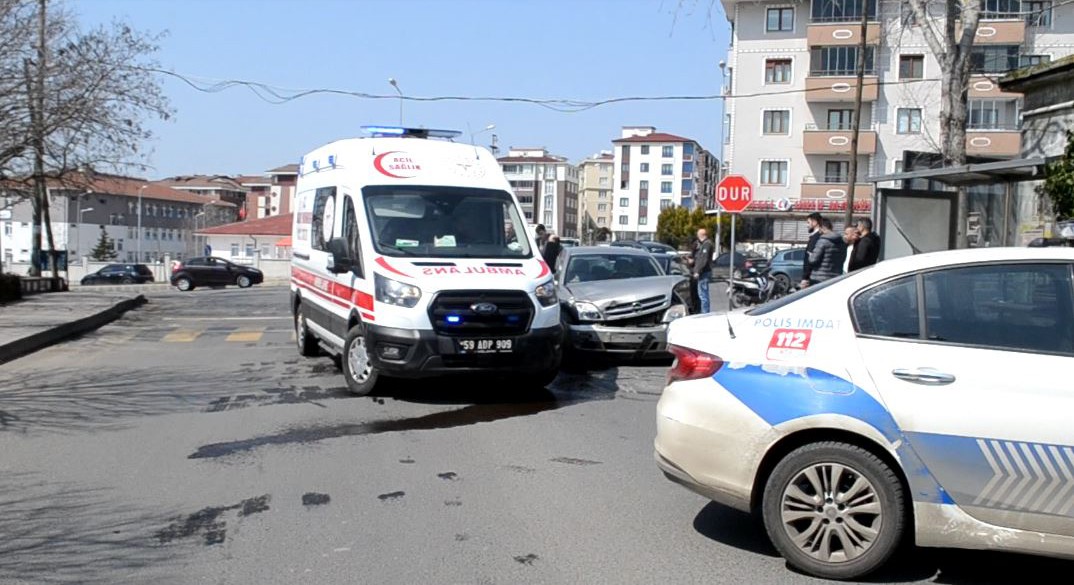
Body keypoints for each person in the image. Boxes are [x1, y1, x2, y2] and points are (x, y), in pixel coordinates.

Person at [807, 218, 847, 284]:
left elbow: (813, 260)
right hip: (836, 278)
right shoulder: (842, 242)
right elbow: (843, 258)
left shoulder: (823, 241)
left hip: (819, 279)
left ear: (822, 227)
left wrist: (810, 255)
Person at [691, 228, 715, 313]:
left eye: (698, 235)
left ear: (701, 235)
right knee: (702, 294)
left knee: (703, 294)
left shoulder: (706, 244)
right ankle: (704, 312)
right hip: (704, 272)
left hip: (704, 272)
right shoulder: (704, 244)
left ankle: (705, 313)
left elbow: (703, 259)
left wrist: (697, 271)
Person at [800, 212, 823, 289]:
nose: (807, 225)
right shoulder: (816, 236)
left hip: (813, 277)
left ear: (815, 222)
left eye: (808, 222)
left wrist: (805, 277)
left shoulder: (816, 237)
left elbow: (810, 259)